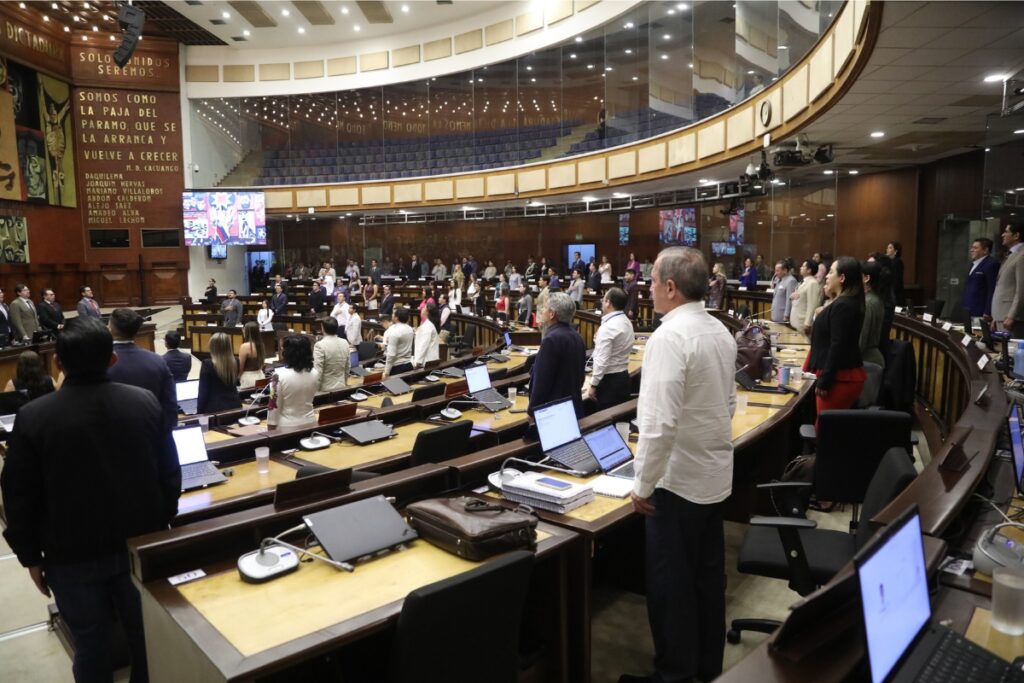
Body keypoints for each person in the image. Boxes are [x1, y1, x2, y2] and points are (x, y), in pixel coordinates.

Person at [0, 317, 180, 683]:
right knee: (145, 639)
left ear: (58, 363)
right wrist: (161, 525)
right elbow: (169, 473)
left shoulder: (33, 417)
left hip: (69, 556)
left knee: (91, 645)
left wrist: (30, 556)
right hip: (138, 545)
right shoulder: (144, 402)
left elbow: (18, 495)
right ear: (112, 360)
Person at [621, 247, 736, 683]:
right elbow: (727, 404)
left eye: (651, 281)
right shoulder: (720, 331)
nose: (647, 289)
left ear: (670, 287)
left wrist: (642, 484)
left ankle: (674, 675)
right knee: (707, 584)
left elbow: (658, 424)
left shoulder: (669, 338)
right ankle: (705, 670)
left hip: (675, 484)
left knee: (671, 590)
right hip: (712, 478)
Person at [805, 257, 867, 421]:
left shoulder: (844, 305)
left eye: (831, 272)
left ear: (842, 278)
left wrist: (825, 380)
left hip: (839, 379)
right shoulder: (844, 302)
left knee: (827, 430)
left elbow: (837, 345)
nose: (826, 276)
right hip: (837, 375)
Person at [106, 308, 177, 430]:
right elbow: (170, 406)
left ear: (111, 329)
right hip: (152, 436)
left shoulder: (100, 363)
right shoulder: (158, 361)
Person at [528, 293, 586, 419]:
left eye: (544, 308)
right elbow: (581, 377)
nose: (542, 310)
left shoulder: (551, 339)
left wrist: (532, 411)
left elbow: (542, 381)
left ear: (552, 314)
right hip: (573, 407)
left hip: (554, 412)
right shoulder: (578, 337)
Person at [587, 287, 634, 411]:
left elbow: (602, 361)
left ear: (608, 302)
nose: (602, 302)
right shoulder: (626, 321)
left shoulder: (608, 327)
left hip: (609, 382)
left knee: (605, 422)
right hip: (623, 377)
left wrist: (593, 385)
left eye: (603, 299)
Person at [269, 335, 319, 429]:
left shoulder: (277, 376)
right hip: (310, 423)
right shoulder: (315, 373)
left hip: (286, 427)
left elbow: (273, 407)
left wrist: (270, 428)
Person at [197, 332, 241, 414]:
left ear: (212, 347)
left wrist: (199, 414)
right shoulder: (236, 362)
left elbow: (203, 393)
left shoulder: (207, 364)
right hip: (235, 407)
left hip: (215, 411)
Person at [993, 223, 1024, 337]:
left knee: (1010, 352)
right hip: (1001, 315)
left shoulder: (1022, 255)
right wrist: (996, 316)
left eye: (1006, 232)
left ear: (1016, 236)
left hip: (1010, 317)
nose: (1003, 234)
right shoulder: (1011, 254)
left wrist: (1011, 316)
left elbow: (1021, 290)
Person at [961, 238, 999, 321]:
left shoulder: (991, 264)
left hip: (980, 312)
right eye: (972, 247)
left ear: (985, 250)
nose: (971, 250)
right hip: (968, 310)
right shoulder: (973, 264)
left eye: (975, 248)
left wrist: (988, 311)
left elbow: (992, 289)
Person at [861, 260, 887, 369]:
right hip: (870, 359)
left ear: (866, 278)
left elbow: (862, 339)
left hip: (868, 361)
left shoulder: (868, 302)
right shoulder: (874, 298)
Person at [314, 317, 350, 392]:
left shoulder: (320, 345)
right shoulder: (345, 342)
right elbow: (347, 367)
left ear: (323, 328)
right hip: (341, 387)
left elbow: (318, 371)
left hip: (325, 390)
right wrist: (344, 383)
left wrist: (316, 391)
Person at [790, 259, 823, 336]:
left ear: (809, 270)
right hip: (796, 321)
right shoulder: (803, 281)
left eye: (803, 266)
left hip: (803, 323)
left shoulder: (813, 283)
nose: (801, 267)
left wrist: (808, 323)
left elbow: (812, 305)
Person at [382, 307, 415, 377]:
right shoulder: (410, 329)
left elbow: (391, 355)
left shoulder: (394, 332)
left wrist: (386, 372)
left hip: (397, 368)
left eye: (393, 314)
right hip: (409, 365)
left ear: (396, 318)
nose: (392, 315)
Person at [238, 322, 266, 389]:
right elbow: (262, 364)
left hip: (248, 379)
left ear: (247, 332)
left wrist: (237, 378)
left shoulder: (245, 346)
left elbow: (240, 367)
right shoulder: (261, 345)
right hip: (261, 377)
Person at [414, 303, 440, 369]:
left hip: (426, 362)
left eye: (423, 308)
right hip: (428, 360)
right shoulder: (428, 324)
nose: (421, 309)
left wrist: (418, 362)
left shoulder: (427, 326)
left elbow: (424, 345)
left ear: (427, 312)